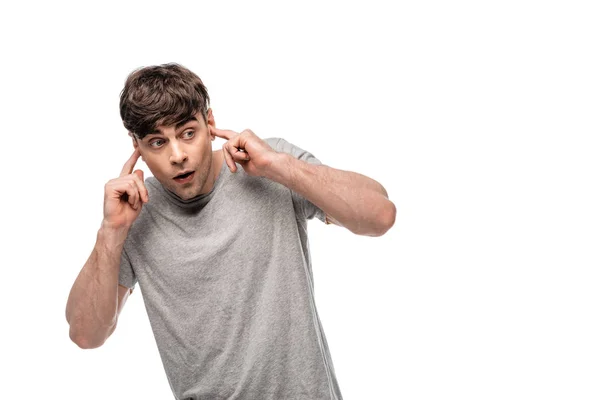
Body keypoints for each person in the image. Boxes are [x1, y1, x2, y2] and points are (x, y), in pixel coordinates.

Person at [65, 63, 396, 400]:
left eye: (187, 133)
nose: (177, 155)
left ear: (210, 123)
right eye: (156, 142)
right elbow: (85, 333)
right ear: (136, 146)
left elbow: (380, 215)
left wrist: (280, 167)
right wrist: (111, 231)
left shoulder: (270, 165)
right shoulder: (135, 214)